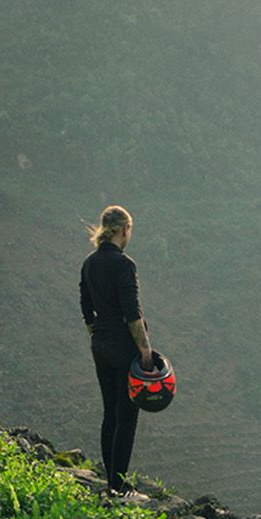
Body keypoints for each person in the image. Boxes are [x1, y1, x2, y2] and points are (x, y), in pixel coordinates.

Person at [79, 205, 155, 496]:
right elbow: (132, 313)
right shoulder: (124, 264)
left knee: (109, 412)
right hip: (124, 347)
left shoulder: (89, 263)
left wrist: (99, 336)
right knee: (127, 416)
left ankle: (111, 482)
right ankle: (119, 486)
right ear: (125, 230)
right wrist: (145, 350)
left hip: (100, 344)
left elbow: (86, 309)